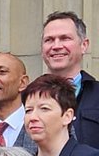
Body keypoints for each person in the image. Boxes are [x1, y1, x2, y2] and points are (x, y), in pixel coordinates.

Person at [41, 11, 99, 148]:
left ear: (84, 45)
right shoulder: (27, 97)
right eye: (49, 40)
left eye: (65, 38)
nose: (56, 46)